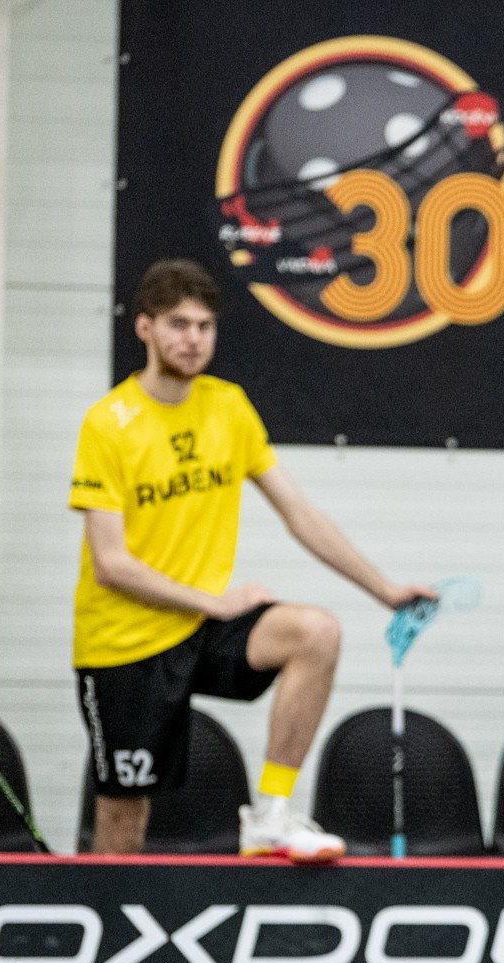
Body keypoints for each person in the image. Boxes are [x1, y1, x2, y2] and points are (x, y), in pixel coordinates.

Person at [70, 259, 432, 859]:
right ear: (145, 328)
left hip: (200, 624)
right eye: (179, 324)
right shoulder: (108, 424)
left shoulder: (229, 407)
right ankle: (106, 913)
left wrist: (384, 589)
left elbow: (300, 513)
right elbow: (111, 564)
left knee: (315, 633)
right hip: (125, 642)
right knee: (124, 820)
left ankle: (271, 814)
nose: (193, 339)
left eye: (204, 326)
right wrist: (216, 602)